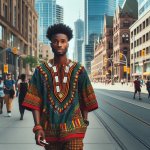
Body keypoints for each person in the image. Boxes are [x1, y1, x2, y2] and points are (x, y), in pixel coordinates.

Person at [23, 23, 98, 150]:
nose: (59, 44)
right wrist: (37, 127)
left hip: (74, 130)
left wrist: (84, 122)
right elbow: (34, 100)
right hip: (49, 130)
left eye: (63, 41)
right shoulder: (40, 70)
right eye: (55, 41)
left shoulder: (79, 70)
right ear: (51, 44)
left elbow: (87, 97)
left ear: (68, 43)